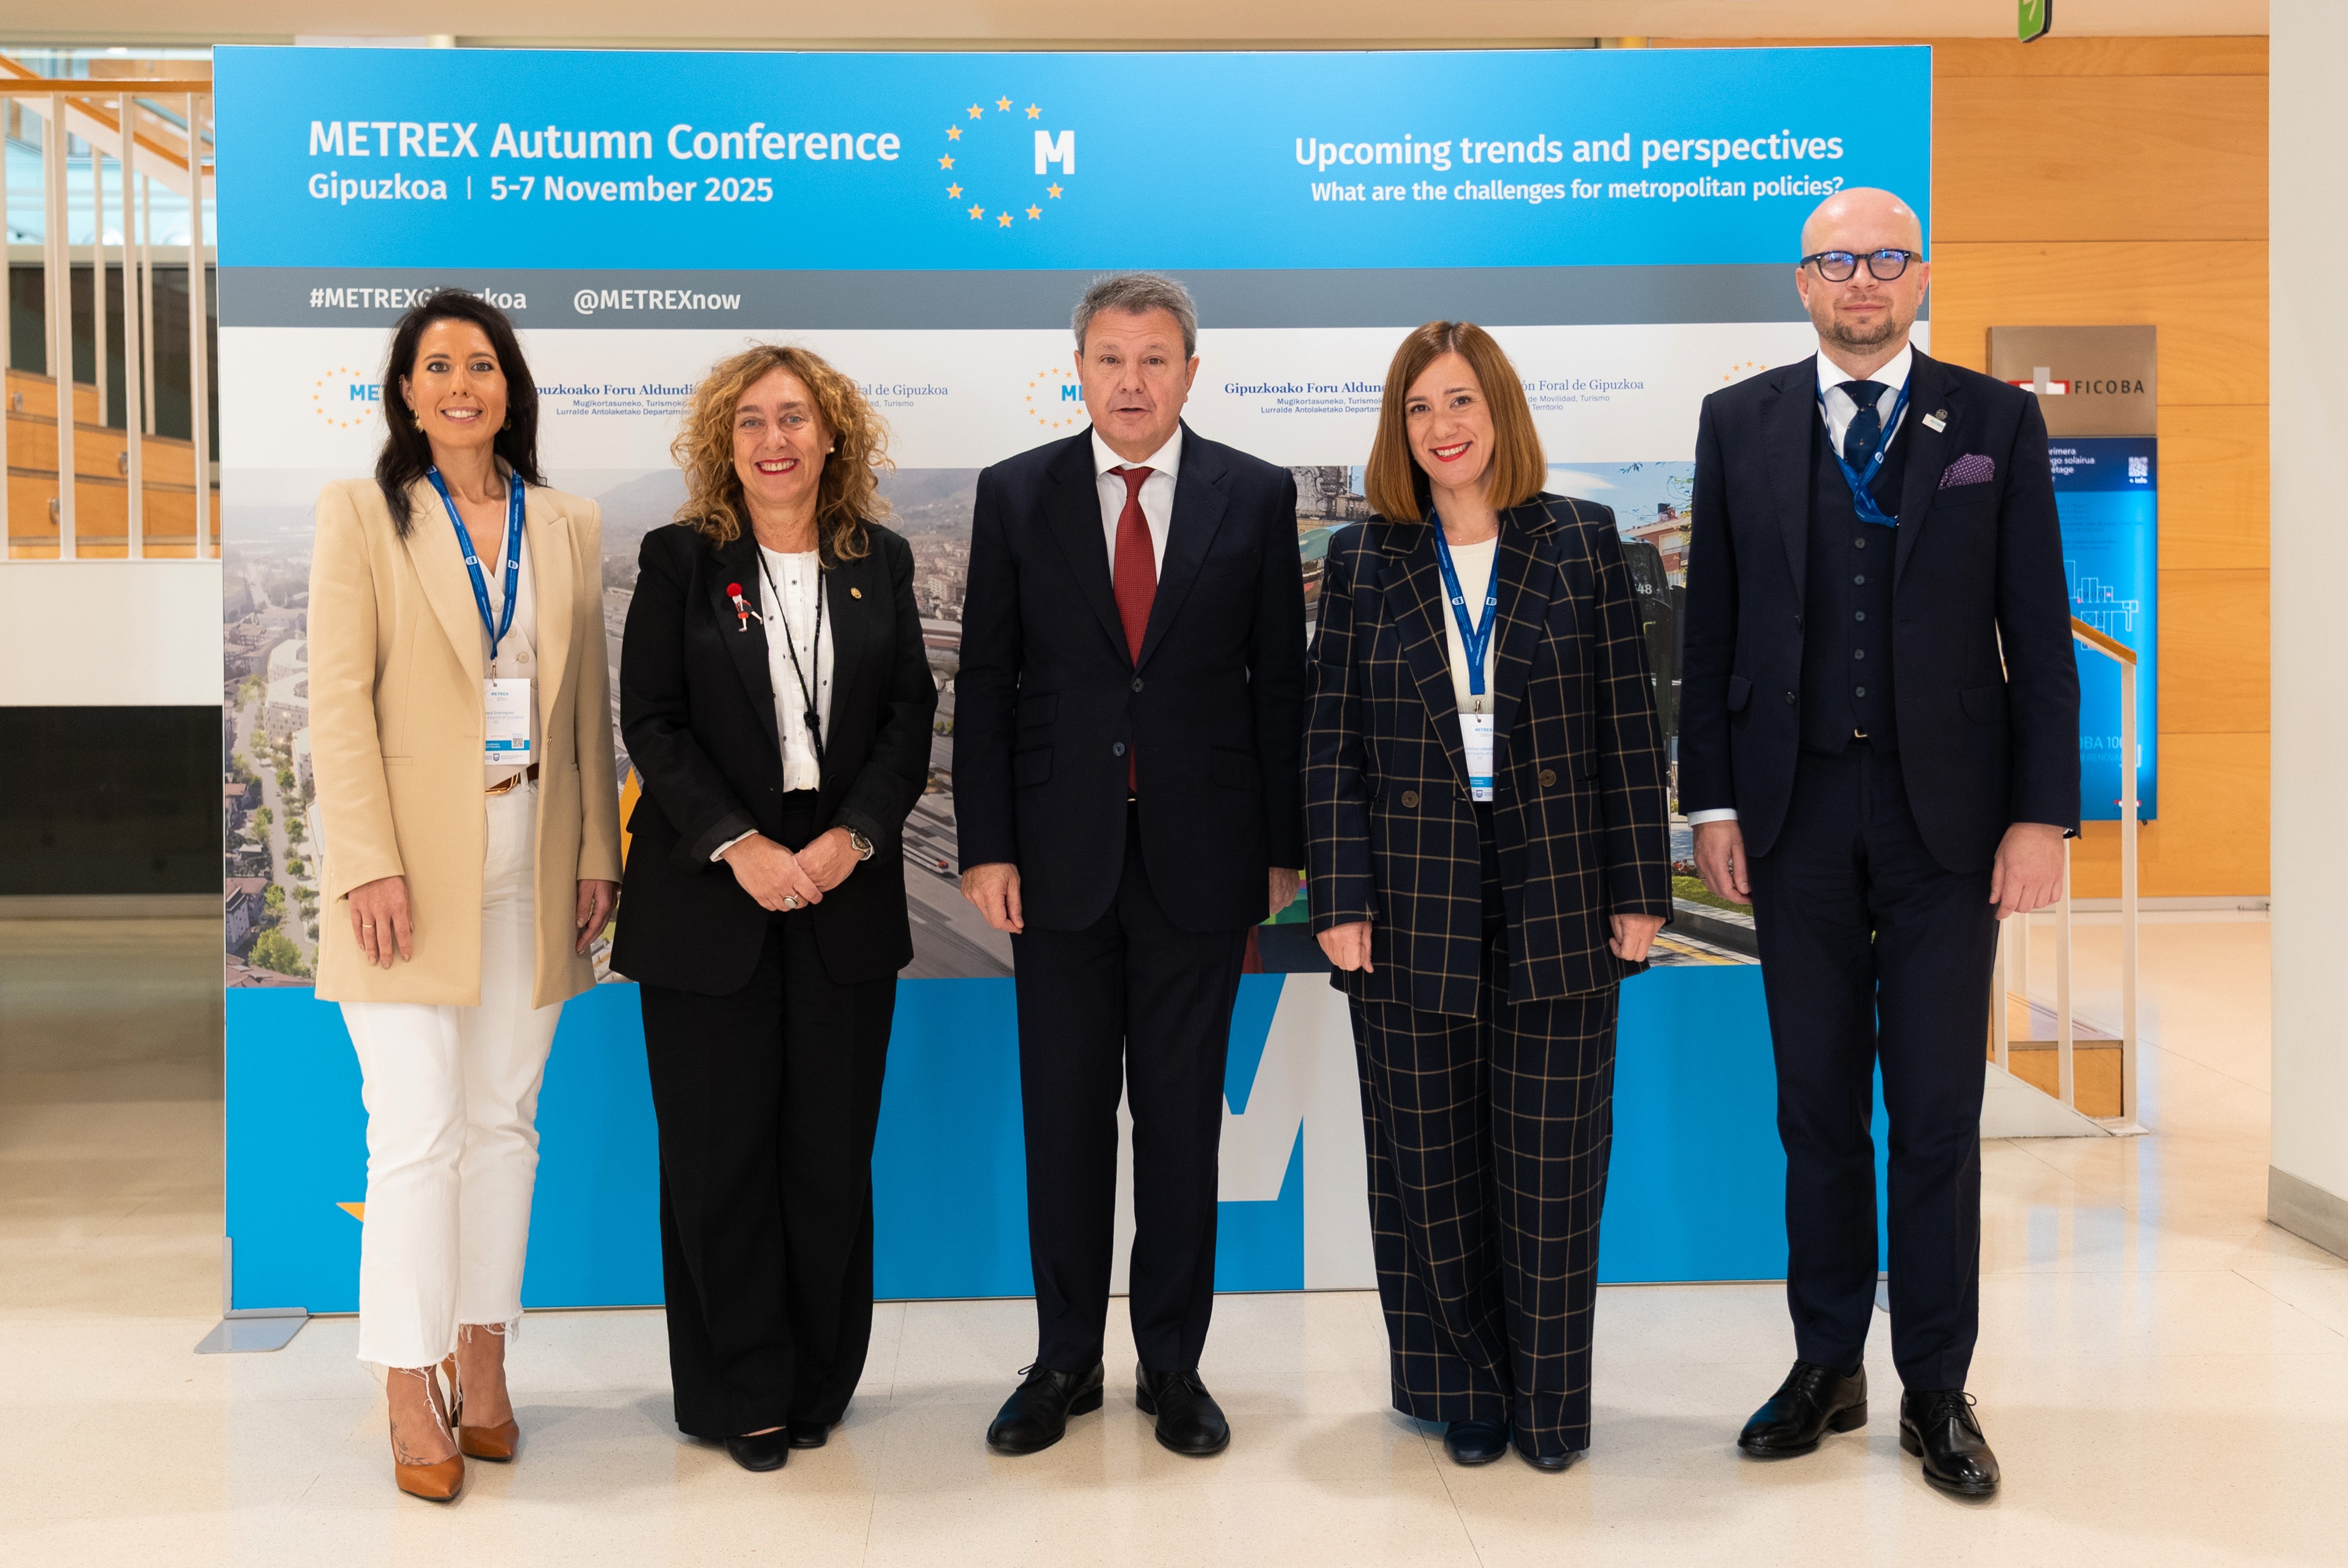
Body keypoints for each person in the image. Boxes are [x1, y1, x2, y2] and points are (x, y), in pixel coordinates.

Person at [1680, 188, 2079, 1498]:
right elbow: (1713, 632)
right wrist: (1713, 805)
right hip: (1788, 817)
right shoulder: (1737, 422)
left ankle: (1938, 1388)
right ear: (1801, 282)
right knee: (1814, 1111)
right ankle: (1824, 1364)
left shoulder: (1995, 421)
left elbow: (2039, 627)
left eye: (1885, 260)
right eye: (1836, 262)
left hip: (1946, 825)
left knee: (1937, 1114)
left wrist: (2039, 814)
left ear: (1920, 276)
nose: (1862, 281)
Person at [1303, 321, 1671, 1472]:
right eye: (1418, 409)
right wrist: (1341, 894)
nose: (1442, 427)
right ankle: (1459, 1386)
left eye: (1460, 401)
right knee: (1428, 1161)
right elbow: (1332, 744)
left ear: (1498, 411)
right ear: (1396, 430)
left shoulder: (1583, 539)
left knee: (1553, 1163)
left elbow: (1626, 727)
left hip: (1556, 877)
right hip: (1411, 889)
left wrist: (1638, 886)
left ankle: (1551, 1405)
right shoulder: (1367, 558)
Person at [956, 272, 1307, 1458]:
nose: (1131, 381)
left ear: (1191, 372)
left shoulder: (1252, 497)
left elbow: (1280, 690)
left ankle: (1172, 1364)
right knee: (1063, 1124)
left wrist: (1280, 848)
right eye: (1109, 358)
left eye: (1155, 359)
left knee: (1177, 1130)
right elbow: (988, 687)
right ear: (1079, 370)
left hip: (1204, 865)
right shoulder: (1017, 495)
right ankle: (1063, 1361)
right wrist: (987, 844)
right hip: (1054, 865)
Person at [309, 289, 623, 1502]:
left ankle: (482, 1360)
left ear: (509, 388)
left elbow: (583, 707)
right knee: (416, 1124)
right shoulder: (362, 516)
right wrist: (365, 864)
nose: (459, 384)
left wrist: (597, 849)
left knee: (504, 1118)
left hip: (530, 852)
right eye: (435, 365)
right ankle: (404, 1375)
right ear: (405, 391)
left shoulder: (564, 523)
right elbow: (337, 706)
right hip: (408, 872)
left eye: (480, 365)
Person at [614, 345, 937, 1474]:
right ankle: (739, 1388)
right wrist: (739, 844)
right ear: (725, 444)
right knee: (719, 1157)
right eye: (751, 421)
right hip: (712, 898)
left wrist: (850, 839)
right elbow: (651, 720)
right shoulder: (679, 560)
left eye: (795, 417)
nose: (774, 439)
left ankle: (814, 1381)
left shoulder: (882, 562)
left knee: (826, 1153)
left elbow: (910, 720)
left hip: (843, 894)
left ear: (832, 436)